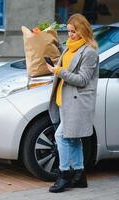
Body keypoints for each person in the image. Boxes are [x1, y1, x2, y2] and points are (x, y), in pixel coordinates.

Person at [45, 13, 99, 193]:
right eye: (68, 31)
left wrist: (59, 71)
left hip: (77, 103)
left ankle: (64, 174)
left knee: (62, 136)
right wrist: (51, 40)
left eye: (74, 31)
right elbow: (68, 62)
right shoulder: (70, 48)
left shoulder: (89, 52)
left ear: (83, 30)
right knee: (73, 140)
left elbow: (82, 79)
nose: (70, 35)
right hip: (64, 100)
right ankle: (79, 175)